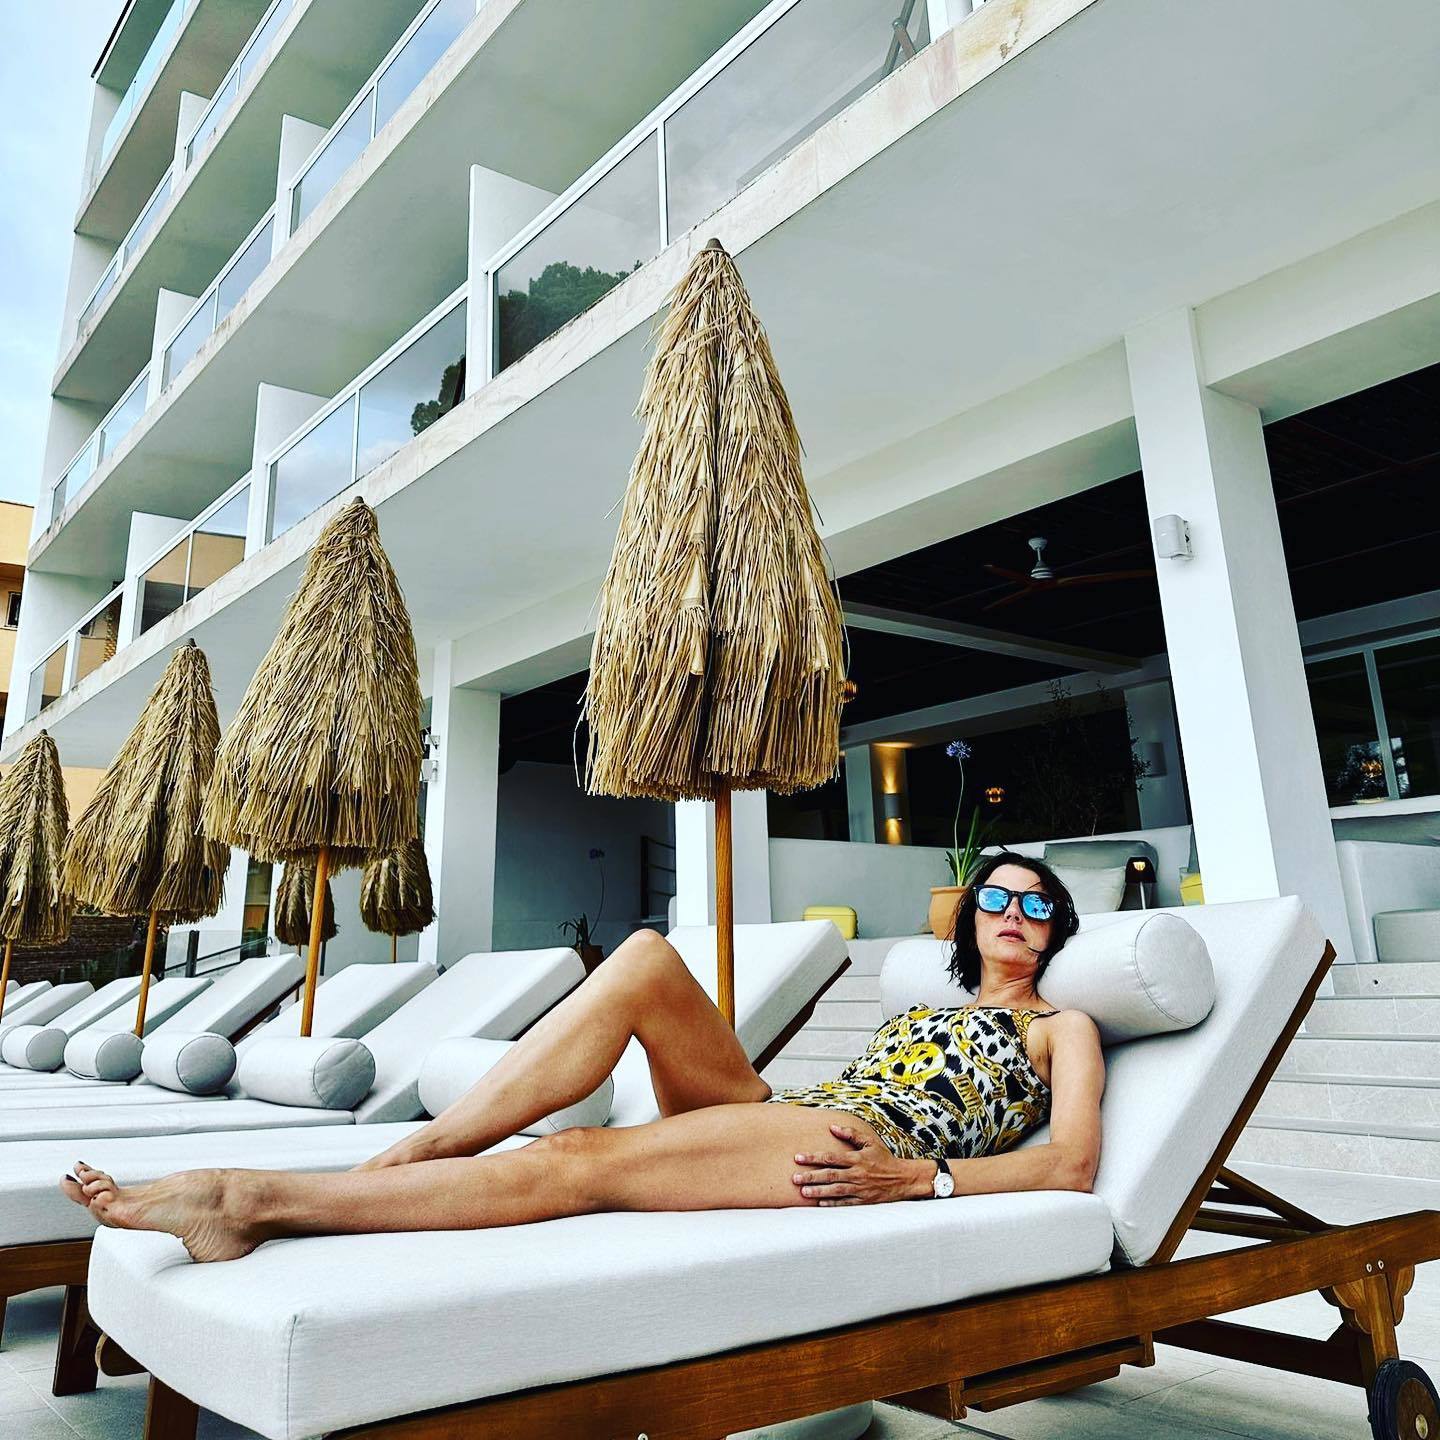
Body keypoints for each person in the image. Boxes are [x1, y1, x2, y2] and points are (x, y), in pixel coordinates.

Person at [62, 852, 1104, 1263]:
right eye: (996, 897)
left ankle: (247, 1201)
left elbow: (1070, 1166)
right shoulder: (924, 1003)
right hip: (787, 1106)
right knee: (644, 958)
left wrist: (915, 1180)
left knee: (573, 1161)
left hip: (850, 1149)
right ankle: (421, 1150)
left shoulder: (1063, 1028)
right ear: (971, 919)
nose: (1013, 913)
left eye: (1037, 904)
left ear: (1057, 929)